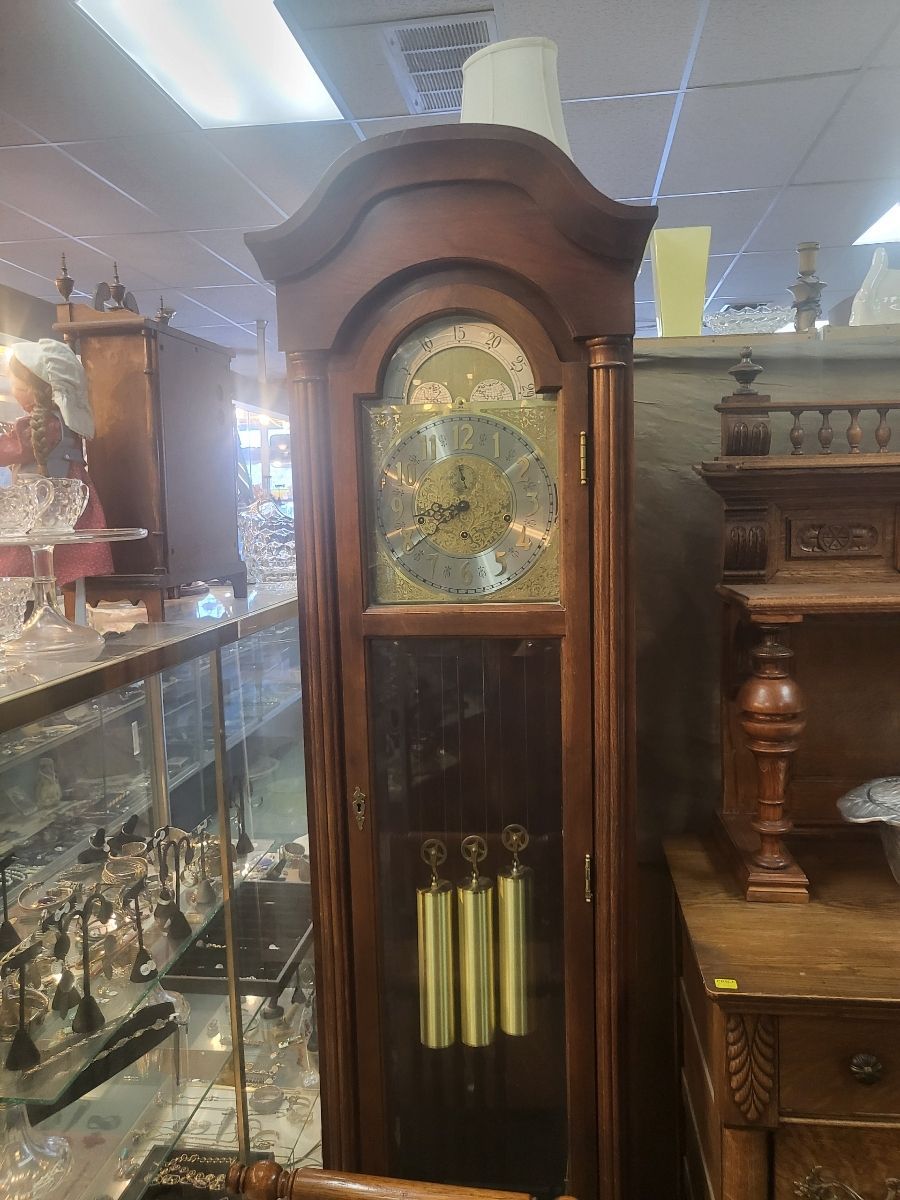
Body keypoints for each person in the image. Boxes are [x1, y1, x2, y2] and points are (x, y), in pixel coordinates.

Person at [1, 338, 112, 585]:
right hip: (61, 510)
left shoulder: (42, 427)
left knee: (21, 563)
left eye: (16, 385)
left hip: (50, 510)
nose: (13, 390)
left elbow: (8, 449)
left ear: (32, 389)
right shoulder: (62, 425)